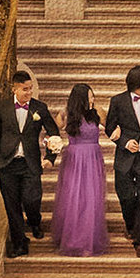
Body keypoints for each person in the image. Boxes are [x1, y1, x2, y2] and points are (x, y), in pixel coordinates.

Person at [0, 69, 60, 258]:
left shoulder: (39, 108)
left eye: (30, 89)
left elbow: (53, 133)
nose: (29, 93)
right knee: (12, 206)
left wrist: (50, 157)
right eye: (25, 89)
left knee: (32, 199)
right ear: (14, 89)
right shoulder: (1, 107)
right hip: (7, 164)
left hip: (30, 163)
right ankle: (19, 243)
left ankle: (35, 221)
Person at [103, 64, 140, 257]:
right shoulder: (118, 101)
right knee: (127, 197)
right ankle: (130, 226)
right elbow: (110, 128)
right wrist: (123, 141)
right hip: (125, 158)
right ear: (137, 84)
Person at [53, 83, 108, 257]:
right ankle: (72, 238)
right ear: (81, 98)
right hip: (74, 159)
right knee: (73, 197)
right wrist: (52, 143)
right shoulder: (65, 114)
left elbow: (112, 126)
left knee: (91, 198)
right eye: (90, 96)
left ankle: (89, 238)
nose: (93, 99)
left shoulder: (97, 112)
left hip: (93, 158)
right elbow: (51, 133)